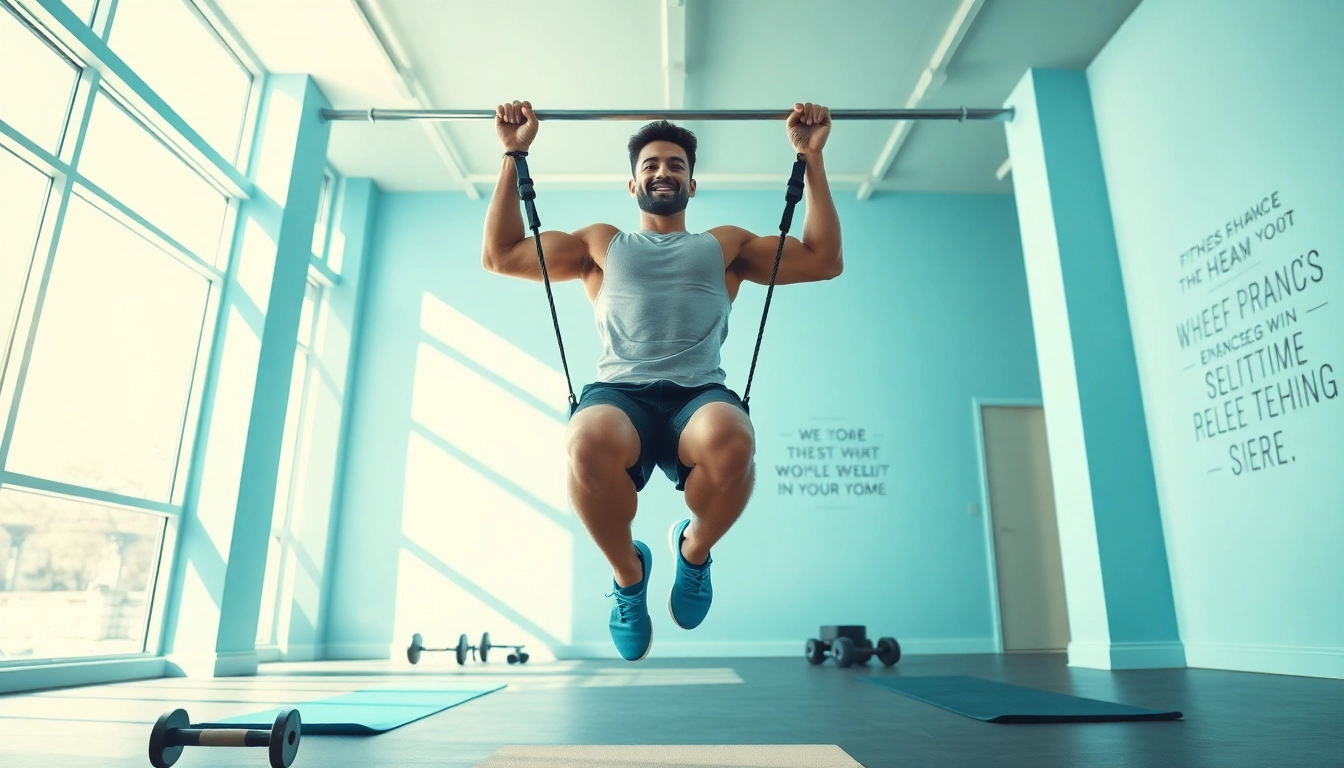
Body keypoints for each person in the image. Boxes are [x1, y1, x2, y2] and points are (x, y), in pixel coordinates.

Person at [482, 100, 843, 661]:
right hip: (619, 395)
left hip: (698, 397)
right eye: (650, 164)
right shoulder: (602, 245)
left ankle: (693, 551)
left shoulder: (723, 247)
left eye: (675, 165)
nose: (663, 172)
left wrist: (810, 158)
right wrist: (513, 153)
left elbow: (823, 259)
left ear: (692, 184)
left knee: (735, 437)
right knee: (583, 440)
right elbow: (500, 256)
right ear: (633, 184)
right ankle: (630, 576)